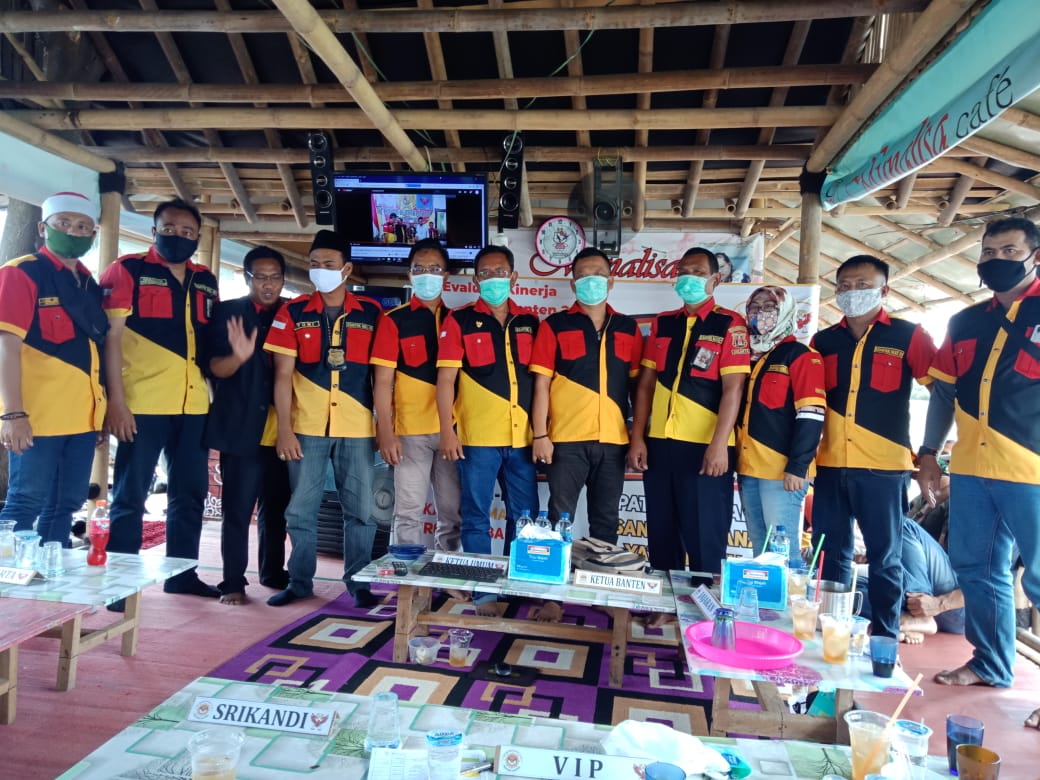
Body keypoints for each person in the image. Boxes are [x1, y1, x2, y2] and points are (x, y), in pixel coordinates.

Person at [914, 217, 1040, 729]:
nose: (996, 260)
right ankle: (989, 663)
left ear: (1034, 256)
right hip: (970, 465)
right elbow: (944, 391)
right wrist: (928, 452)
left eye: (1009, 250)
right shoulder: (965, 321)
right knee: (977, 569)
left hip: (1032, 469)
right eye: (988, 252)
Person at [810, 255, 936, 640]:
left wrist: (929, 451)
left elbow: (942, 394)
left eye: (862, 285)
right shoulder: (823, 341)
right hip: (830, 463)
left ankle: (885, 638)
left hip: (884, 468)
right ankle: (831, 633)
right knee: (830, 555)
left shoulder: (909, 335)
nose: (852, 292)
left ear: (884, 290)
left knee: (885, 558)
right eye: (844, 286)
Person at [101, 198, 220, 600]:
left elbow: (207, 341)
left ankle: (182, 574)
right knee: (130, 495)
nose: (177, 236)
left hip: (194, 405)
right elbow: (111, 339)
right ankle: (119, 586)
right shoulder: (127, 269)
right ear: (154, 231)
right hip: (142, 403)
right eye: (169, 229)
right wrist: (115, 403)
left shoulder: (206, 279)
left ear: (197, 237)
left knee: (190, 495)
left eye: (187, 232)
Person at [263, 230, 382, 608]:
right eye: (314, 264)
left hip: (357, 427)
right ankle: (299, 582)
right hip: (306, 426)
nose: (320, 270)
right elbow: (282, 376)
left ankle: (359, 582)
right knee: (301, 510)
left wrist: (384, 428)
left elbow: (383, 378)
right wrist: (284, 430)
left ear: (346, 269)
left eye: (329, 264)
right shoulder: (293, 312)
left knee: (361, 511)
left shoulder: (372, 313)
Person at [627, 247, 750, 583]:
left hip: (704, 447)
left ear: (715, 279)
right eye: (683, 272)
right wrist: (638, 438)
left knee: (705, 534)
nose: (689, 278)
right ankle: (666, 603)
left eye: (698, 272)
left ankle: (704, 603)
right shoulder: (663, 323)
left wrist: (719, 445)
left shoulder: (730, 324)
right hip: (660, 444)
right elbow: (645, 386)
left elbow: (734, 390)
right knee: (662, 533)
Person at [437, 244, 540, 616]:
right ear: (475, 280)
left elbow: (542, 382)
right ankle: (484, 594)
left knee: (524, 518)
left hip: (522, 439)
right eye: (484, 273)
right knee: (477, 516)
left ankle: (517, 585)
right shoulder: (460, 320)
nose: (493, 279)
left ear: (513, 277)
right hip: (477, 439)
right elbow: (446, 380)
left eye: (500, 272)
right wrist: (447, 431)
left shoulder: (531, 322)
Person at [0, 192, 107, 545]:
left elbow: (95, 351)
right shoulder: (22, 272)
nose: (73, 232)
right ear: (42, 228)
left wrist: (99, 415)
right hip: (37, 418)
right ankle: (9, 578)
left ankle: (48, 575)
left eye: (82, 227)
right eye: (63, 223)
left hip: (83, 419)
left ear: (93, 234)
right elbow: (6, 346)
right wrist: (13, 414)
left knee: (66, 505)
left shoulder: (90, 284)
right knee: (24, 503)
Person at [529, 247, 642, 542]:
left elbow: (639, 387)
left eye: (598, 274)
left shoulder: (628, 328)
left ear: (611, 281)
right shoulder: (554, 325)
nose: (591, 281)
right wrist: (540, 435)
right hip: (566, 441)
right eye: (582, 275)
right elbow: (541, 384)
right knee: (559, 520)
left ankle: (598, 572)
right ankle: (559, 572)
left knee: (606, 521)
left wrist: (637, 436)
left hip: (614, 442)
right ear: (572, 283)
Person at [203, 246, 291, 605]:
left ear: (283, 279)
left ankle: (273, 572)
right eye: (261, 277)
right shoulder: (227, 313)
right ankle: (233, 582)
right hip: (240, 426)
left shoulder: (294, 312)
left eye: (275, 277)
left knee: (277, 507)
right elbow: (212, 368)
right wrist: (238, 357)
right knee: (238, 509)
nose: (268, 284)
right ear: (247, 278)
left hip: (284, 427)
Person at [371, 238, 461, 552]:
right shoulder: (393, 320)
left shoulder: (458, 320)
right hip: (409, 433)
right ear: (409, 275)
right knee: (408, 512)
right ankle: (405, 572)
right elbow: (382, 381)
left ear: (446, 275)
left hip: (453, 430)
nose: (426, 275)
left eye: (434, 269)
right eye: (419, 269)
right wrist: (385, 431)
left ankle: (447, 571)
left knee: (452, 513)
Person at [735, 286, 825, 564]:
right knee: (760, 549)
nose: (760, 313)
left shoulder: (801, 355)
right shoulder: (748, 357)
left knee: (782, 553)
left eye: (769, 307)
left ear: (785, 312)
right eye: (754, 307)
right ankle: (766, 595)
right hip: (748, 468)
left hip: (782, 472)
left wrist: (798, 466)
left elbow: (811, 415)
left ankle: (793, 594)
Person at [855, 516, 965, 644]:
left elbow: (986, 589)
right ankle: (905, 619)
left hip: (960, 605)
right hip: (933, 598)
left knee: (902, 524)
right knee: (847, 587)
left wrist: (939, 603)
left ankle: (918, 617)